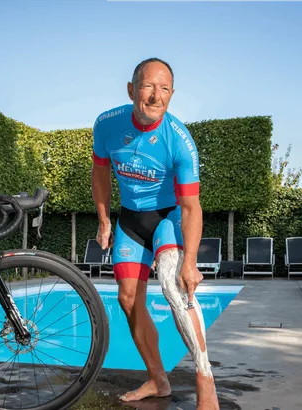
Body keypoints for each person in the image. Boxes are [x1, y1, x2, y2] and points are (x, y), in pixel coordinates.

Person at [90, 57, 220, 409]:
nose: (155, 95)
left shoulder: (179, 140)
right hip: (130, 220)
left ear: (172, 94)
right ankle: (158, 379)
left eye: (164, 89)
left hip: (168, 218)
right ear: (131, 90)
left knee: (172, 286)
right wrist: (103, 220)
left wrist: (189, 262)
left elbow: (191, 207)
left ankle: (204, 378)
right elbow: (100, 172)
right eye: (148, 86)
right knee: (128, 300)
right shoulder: (107, 124)